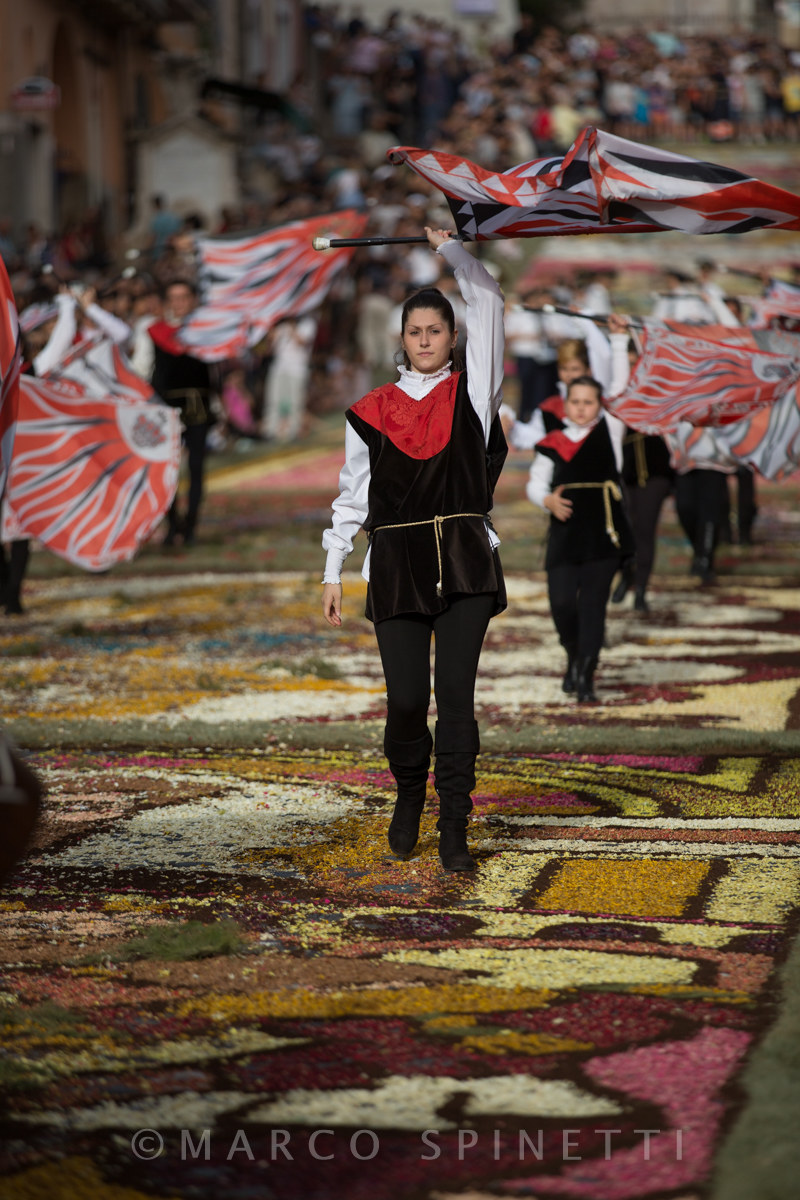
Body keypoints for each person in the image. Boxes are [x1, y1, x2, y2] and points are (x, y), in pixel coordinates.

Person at [321, 227, 507, 872]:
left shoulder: (475, 394)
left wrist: (455, 252)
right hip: (396, 563)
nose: (426, 340)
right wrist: (333, 567)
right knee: (405, 700)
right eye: (415, 331)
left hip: (462, 559)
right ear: (402, 339)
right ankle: (408, 794)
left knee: (455, 693)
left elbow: (488, 302)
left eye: (437, 330)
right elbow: (353, 493)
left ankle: (454, 825)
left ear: (452, 338)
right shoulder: (371, 410)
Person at [526, 354, 633, 705]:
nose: (583, 408)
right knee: (561, 604)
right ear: (565, 403)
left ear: (600, 405)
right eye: (576, 402)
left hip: (602, 536)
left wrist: (617, 342)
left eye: (590, 402)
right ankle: (572, 654)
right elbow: (535, 484)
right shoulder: (553, 441)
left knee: (592, 607)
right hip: (564, 537)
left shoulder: (611, 431)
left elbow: (619, 389)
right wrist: (547, 501)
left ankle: (586, 674)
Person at [148, 279, 213, 546]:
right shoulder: (156, 331)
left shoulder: (206, 331)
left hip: (198, 405)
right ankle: (174, 523)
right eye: (174, 298)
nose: (179, 303)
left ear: (192, 299)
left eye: (184, 297)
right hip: (167, 408)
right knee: (168, 470)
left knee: (196, 467)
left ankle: (191, 526)